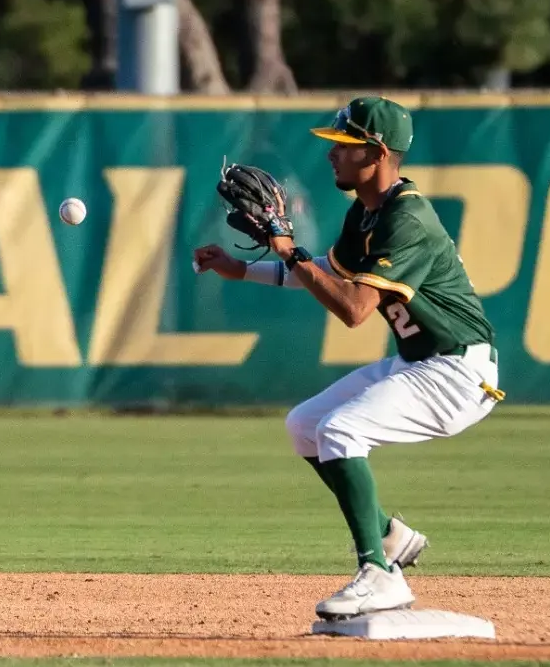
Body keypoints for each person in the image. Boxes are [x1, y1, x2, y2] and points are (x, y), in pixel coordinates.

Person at [193, 96, 503, 619]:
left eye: (344, 144)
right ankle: (390, 535)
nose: (331, 153)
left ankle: (379, 574)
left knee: (341, 430)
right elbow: (323, 273)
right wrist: (243, 269)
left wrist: (286, 247)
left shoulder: (408, 217)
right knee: (305, 425)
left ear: (377, 153)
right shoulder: (366, 212)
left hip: (457, 371)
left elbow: (355, 309)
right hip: (420, 362)